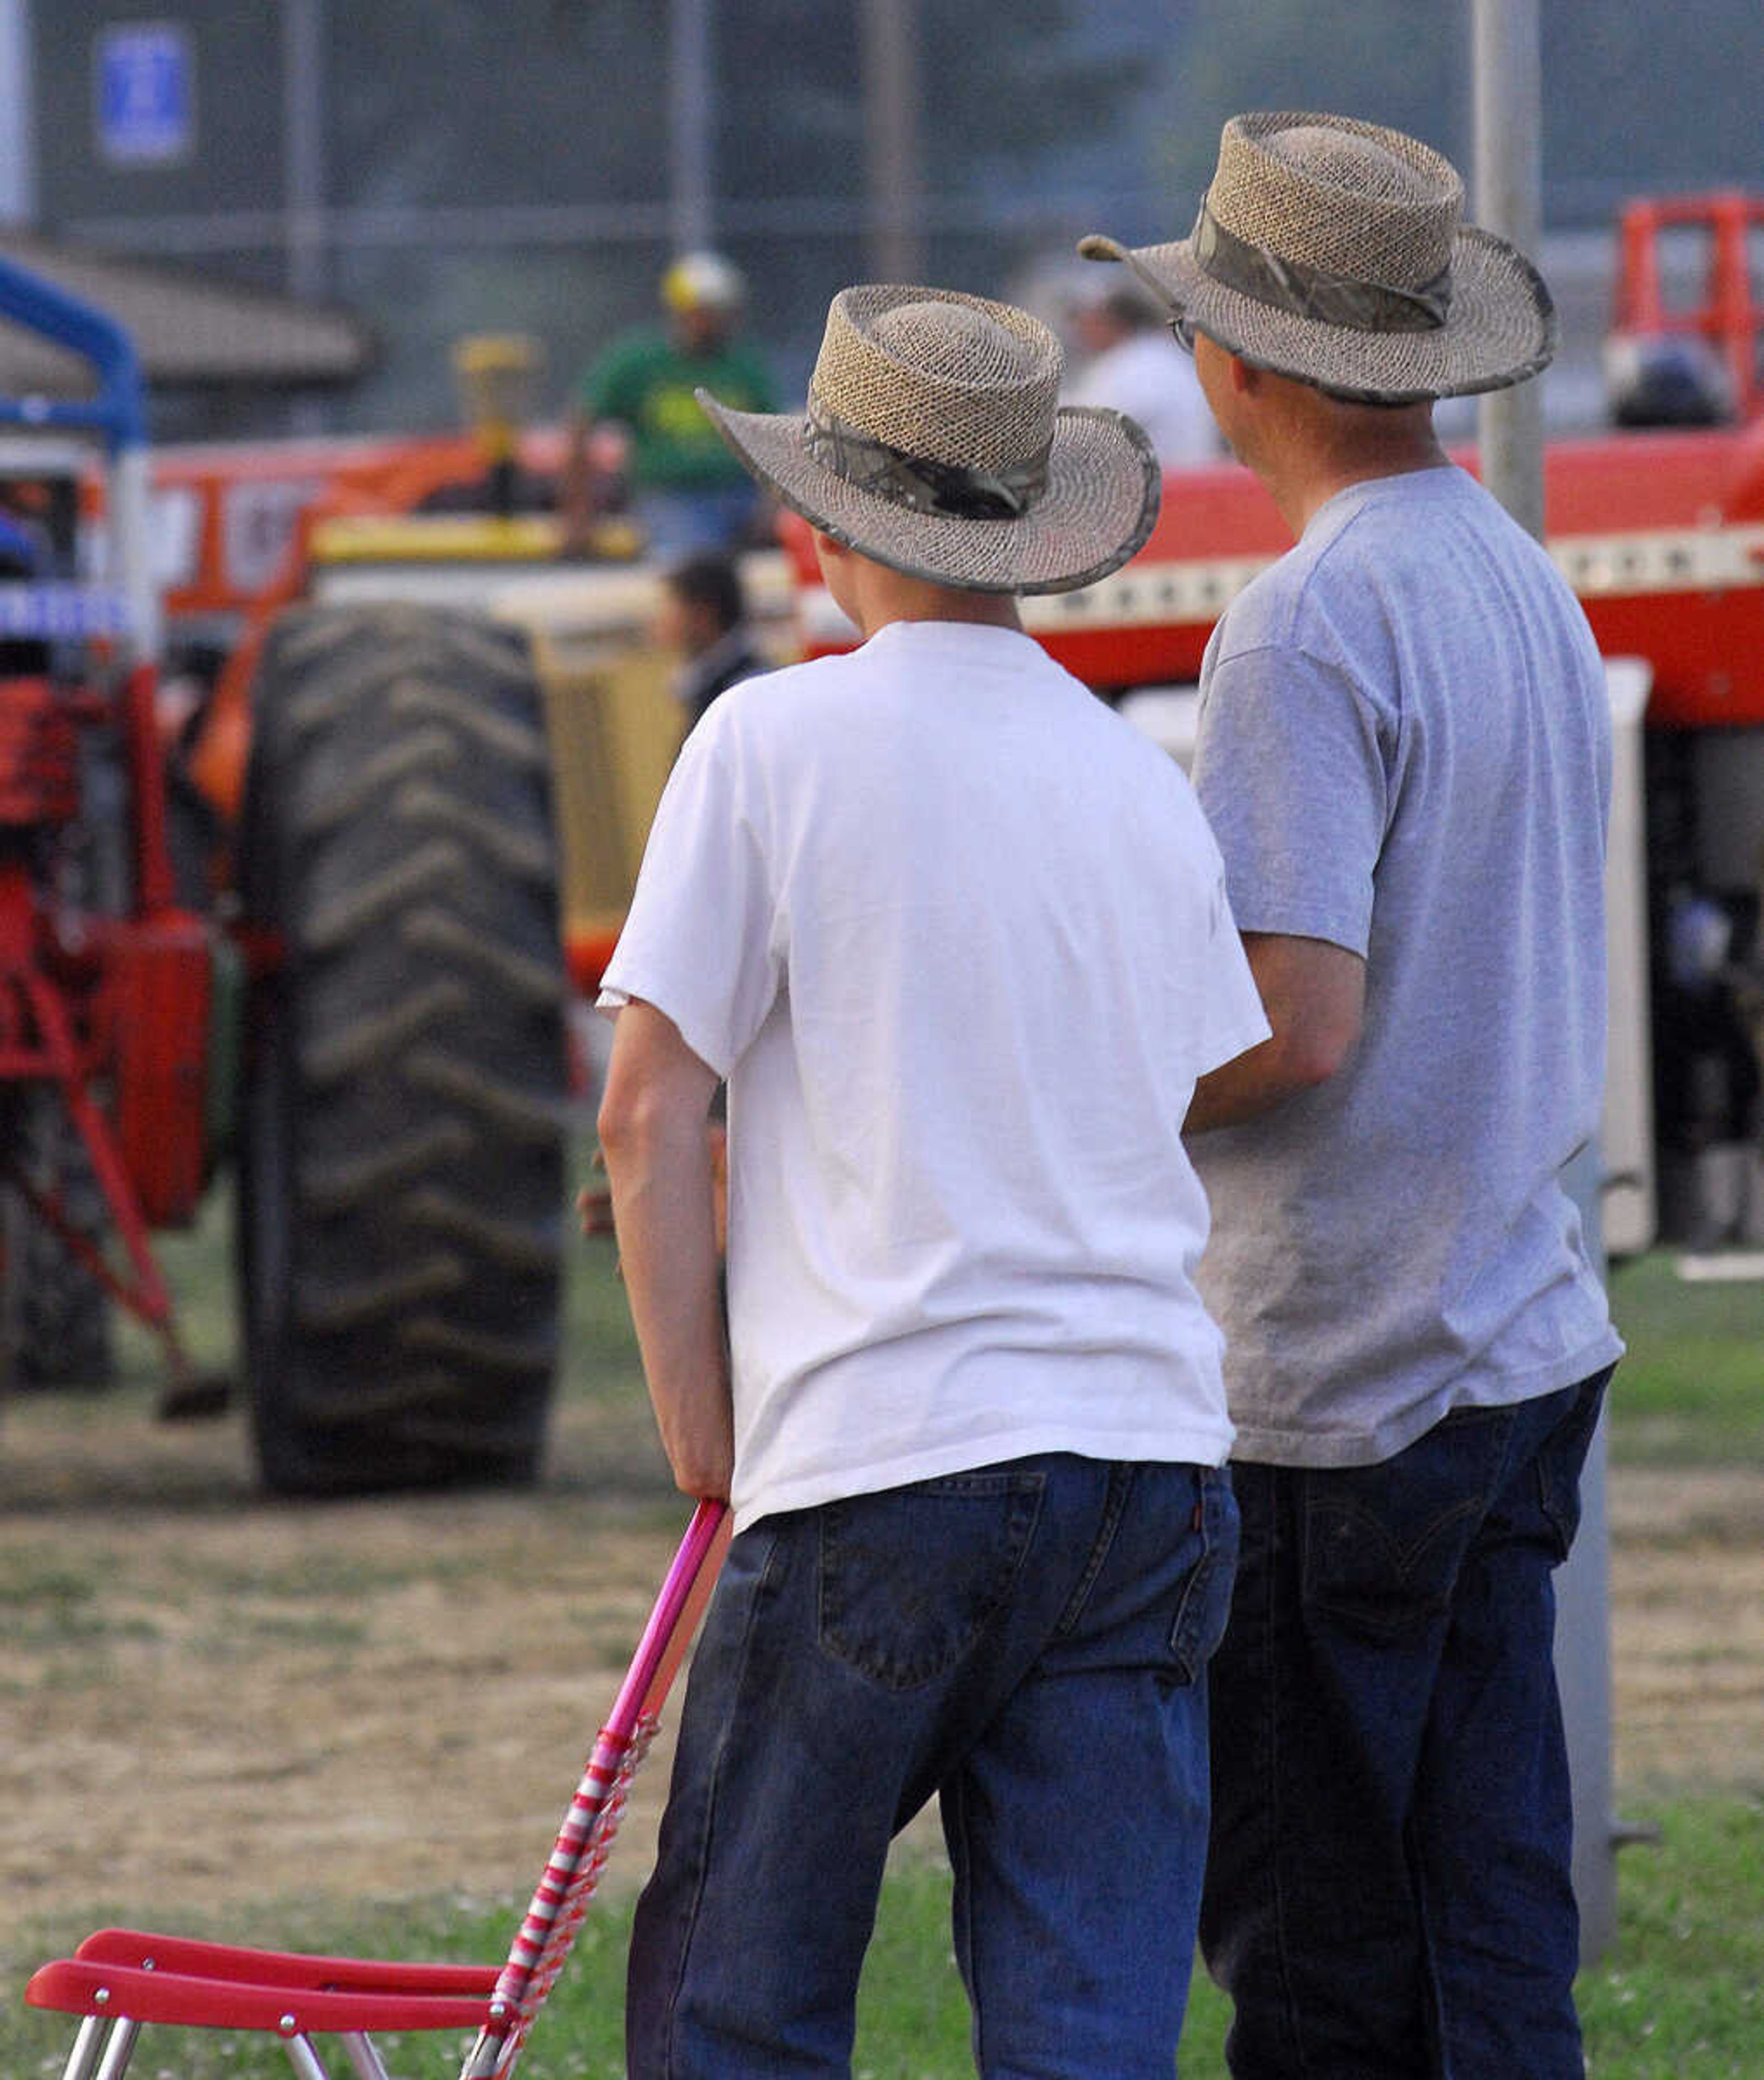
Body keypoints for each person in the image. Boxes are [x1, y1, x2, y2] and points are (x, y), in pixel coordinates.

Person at [594, 282, 1271, 2077]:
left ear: (822, 526)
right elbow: (1189, 1075)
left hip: (886, 1447)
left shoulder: (770, 738)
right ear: (1029, 538)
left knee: (743, 2000)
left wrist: (704, 1433)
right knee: (1086, 2028)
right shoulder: (1136, 780)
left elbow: (650, 1112)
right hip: (1143, 1458)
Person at [1084, 111, 1625, 2080]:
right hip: (1511, 1323)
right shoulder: (1515, 575)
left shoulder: (1302, 623)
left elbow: (1295, 1022)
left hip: (1343, 1369)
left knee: (1321, 1950)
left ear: (1252, 363)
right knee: (1485, 1906)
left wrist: (1073, 1105)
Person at [562, 251, 776, 558]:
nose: (712, 320)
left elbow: (774, 442)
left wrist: (768, 509)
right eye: (703, 311)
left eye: (721, 311)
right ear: (680, 310)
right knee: (693, 562)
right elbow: (581, 423)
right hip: (671, 496)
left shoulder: (746, 366)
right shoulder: (639, 363)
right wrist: (579, 509)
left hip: (740, 492)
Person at [1064, 281, 1220, 468]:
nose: (1080, 331)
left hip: (1169, 484)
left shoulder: (1138, 363)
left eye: (1089, 321)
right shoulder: (1162, 354)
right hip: (1189, 479)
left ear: (1112, 321)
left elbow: (1082, 433)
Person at [653, 550, 769, 738]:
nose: (659, 620)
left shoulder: (749, 690)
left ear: (702, 614)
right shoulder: (702, 685)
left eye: (669, 606)